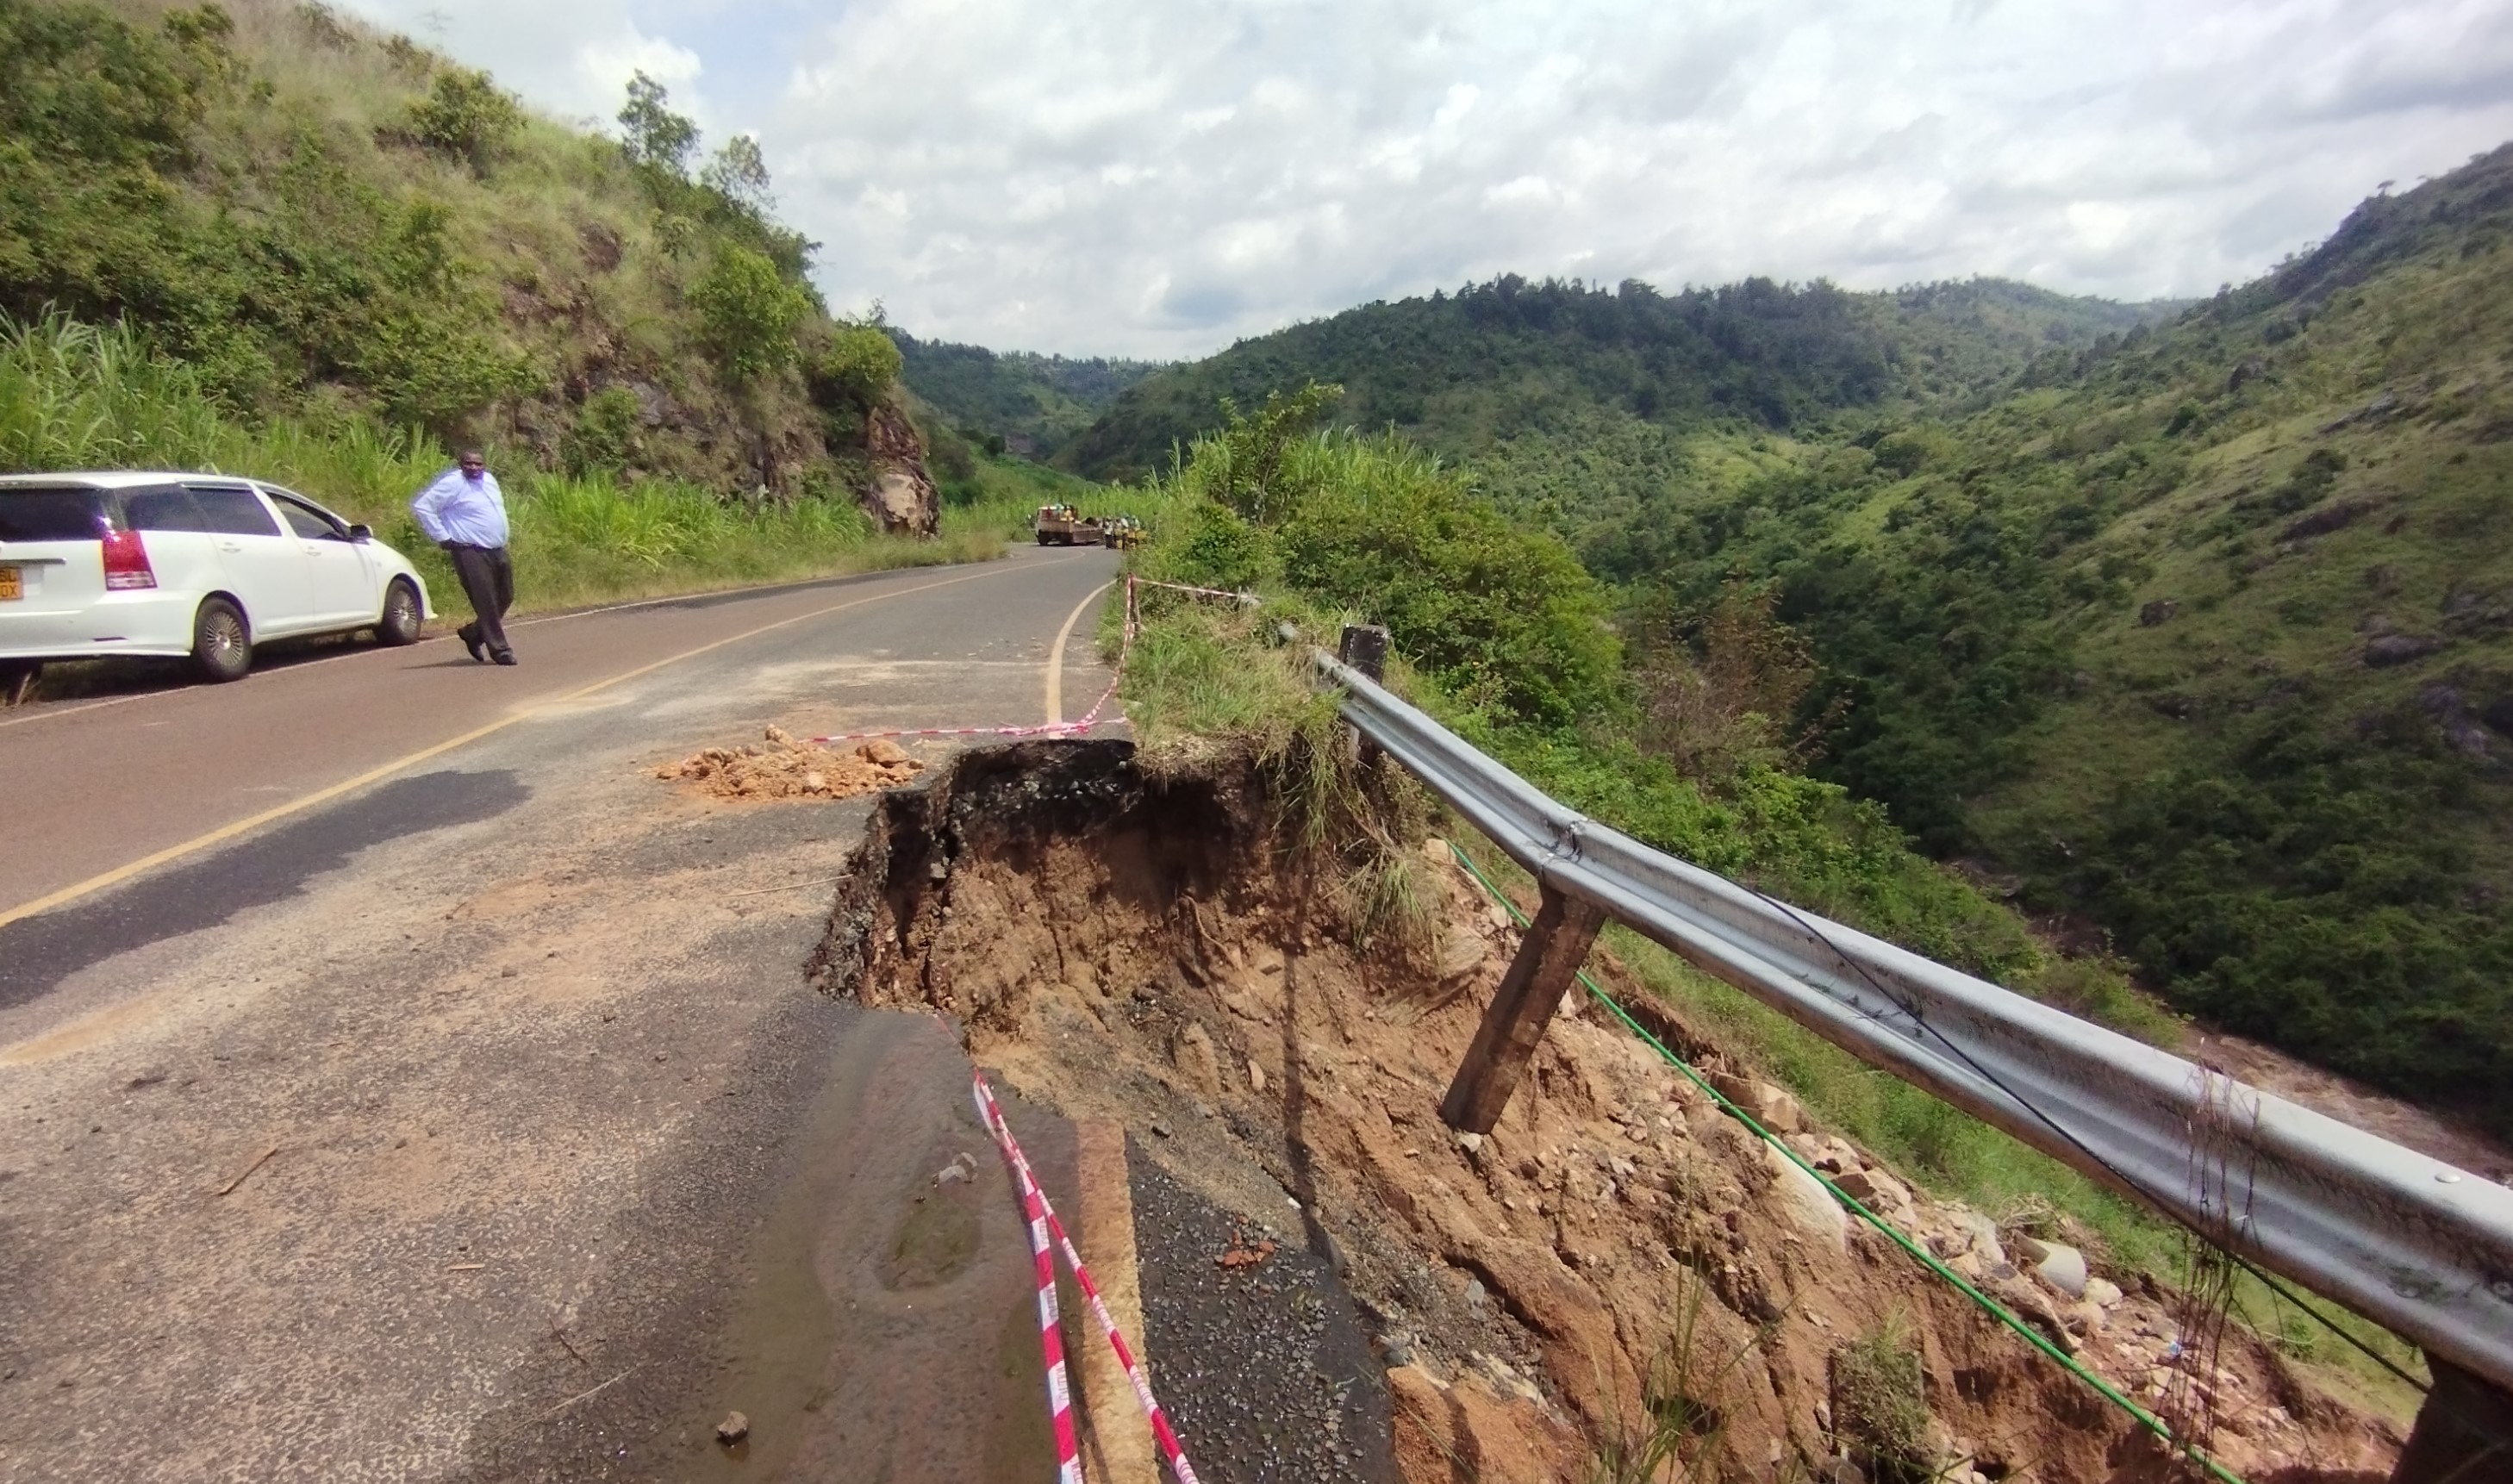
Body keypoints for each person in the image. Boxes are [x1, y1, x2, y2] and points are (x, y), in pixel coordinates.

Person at [410, 448, 516, 665]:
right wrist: (443, 537)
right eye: (469, 464)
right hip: (470, 550)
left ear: (484, 465)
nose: (474, 468)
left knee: (505, 596)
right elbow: (423, 506)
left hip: (496, 548)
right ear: (461, 465)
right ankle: (500, 650)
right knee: (485, 600)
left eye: (478, 464)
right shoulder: (453, 483)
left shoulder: (489, 480)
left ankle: (473, 633)